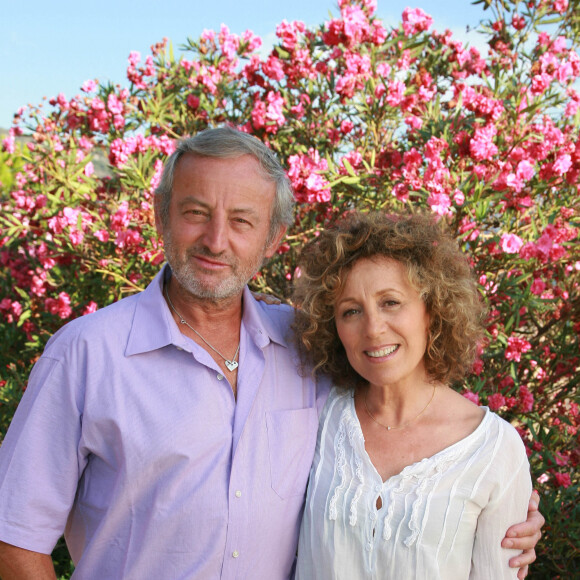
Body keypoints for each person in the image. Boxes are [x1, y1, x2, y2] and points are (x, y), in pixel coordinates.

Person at [0, 128, 541, 580]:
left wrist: (491, 498)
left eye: (241, 220)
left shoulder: (307, 346)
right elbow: (14, 538)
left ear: (274, 236)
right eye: (195, 212)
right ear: (162, 214)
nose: (216, 240)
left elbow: (403, 415)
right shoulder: (86, 354)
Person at [293, 211, 535, 579]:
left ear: (431, 310)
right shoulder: (316, 416)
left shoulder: (493, 451)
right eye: (351, 311)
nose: (373, 329)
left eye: (391, 302)